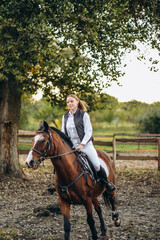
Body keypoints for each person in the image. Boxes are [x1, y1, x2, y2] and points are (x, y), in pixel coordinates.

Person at [61, 94, 116, 193]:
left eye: (71, 101)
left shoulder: (84, 115)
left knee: (96, 164)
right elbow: (63, 133)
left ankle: (106, 182)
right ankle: (60, 184)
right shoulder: (65, 117)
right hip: (71, 147)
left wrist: (82, 144)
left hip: (85, 145)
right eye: (68, 102)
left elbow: (89, 131)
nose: (69, 103)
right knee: (62, 162)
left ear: (77, 102)